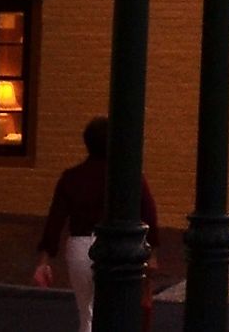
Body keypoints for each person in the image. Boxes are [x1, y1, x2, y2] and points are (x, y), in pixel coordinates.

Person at [34, 116, 157, 332]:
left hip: (80, 246)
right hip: (118, 247)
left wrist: (44, 260)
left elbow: (55, 220)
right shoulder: (129, 177)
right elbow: (149, 212)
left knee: (87, 313)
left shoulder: (71, 177)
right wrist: (152, 253)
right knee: (117, 309)